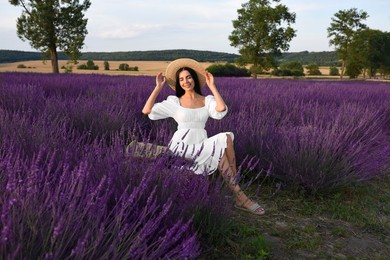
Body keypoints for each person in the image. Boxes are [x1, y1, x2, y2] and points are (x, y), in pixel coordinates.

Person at [142, 58, 265, 216]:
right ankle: (239, 195)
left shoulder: (207, 100)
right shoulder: (174, 101)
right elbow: (147, 111)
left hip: (201, 143)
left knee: (225, 138)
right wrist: (158, 87)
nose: (185, 81)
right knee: (219, 149)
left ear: (194, 78)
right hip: (182, 146)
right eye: (181, 79)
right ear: (178, 83)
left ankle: (236, 190)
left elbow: (221, 110)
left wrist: (212, 86)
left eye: (188, 77)